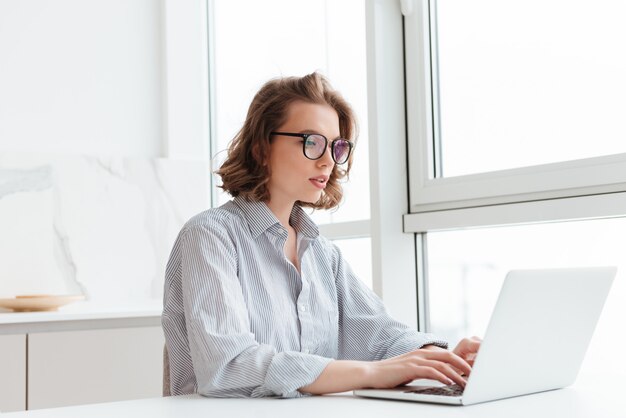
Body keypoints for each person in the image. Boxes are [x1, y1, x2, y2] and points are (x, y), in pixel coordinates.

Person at [162, 72, 481, 398]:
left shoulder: (322, 255)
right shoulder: (209, 236)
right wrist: (370, 373)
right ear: (261, 149)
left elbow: (379, 335)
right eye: (311, 142)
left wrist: (445, 357)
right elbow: (230, 367)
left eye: (336, 146)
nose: (329, 161)